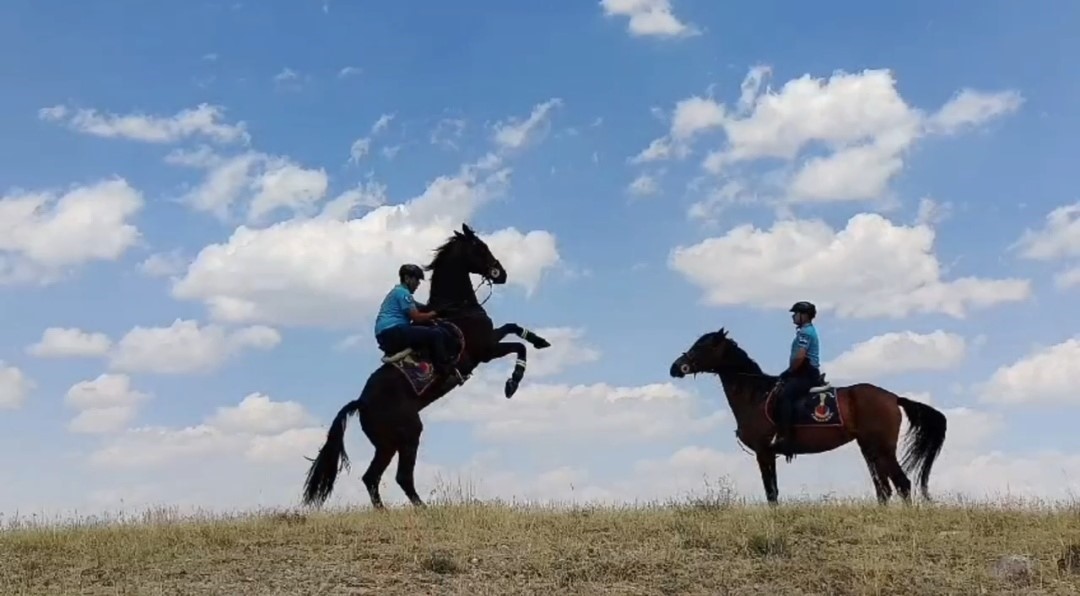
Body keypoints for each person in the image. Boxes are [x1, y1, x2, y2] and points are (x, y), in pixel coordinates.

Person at [374, 264, 458, 379]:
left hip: (386, 335)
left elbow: (422, 308)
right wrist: (435, 313)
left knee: (424, 333)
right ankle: (446, 371)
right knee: (436, 333)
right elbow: (417, 317)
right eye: (416, 279)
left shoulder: (399, 293)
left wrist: (436, 310)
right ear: (407, 278)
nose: (418, 283)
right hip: (393, 332)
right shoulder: (403, 294)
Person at [770, 300, 822, 453]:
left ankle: (785, 436)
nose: (793, 316)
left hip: (805, 373)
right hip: (804, 372)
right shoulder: (806, 331)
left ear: (804, 316)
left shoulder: (805, 333)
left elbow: (799, 357)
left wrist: (789, 372)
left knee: (784, 396)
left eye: (796, 313)